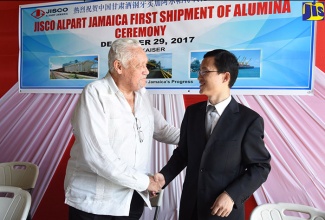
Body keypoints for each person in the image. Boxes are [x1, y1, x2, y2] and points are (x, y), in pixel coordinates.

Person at [64, 38, 180, 220]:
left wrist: (202, 135)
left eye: (146, 64)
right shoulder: (95, 93)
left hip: (131, 197)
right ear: (119, 67)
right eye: (140, 65)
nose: (147, 71)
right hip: (96, 202)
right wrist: (145, 182)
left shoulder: (142, 95)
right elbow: (97, 156)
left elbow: (163, 130)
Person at [154, 49, 271, 220]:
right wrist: (163, 178)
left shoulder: (249, 120)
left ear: (225, 77)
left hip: (222, 211)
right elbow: (182, 154)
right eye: (198, 71)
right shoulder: (192, 113)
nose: (198, 77)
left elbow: (260, 167)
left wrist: (231, 195)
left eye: (204, 71)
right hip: (190, 208)